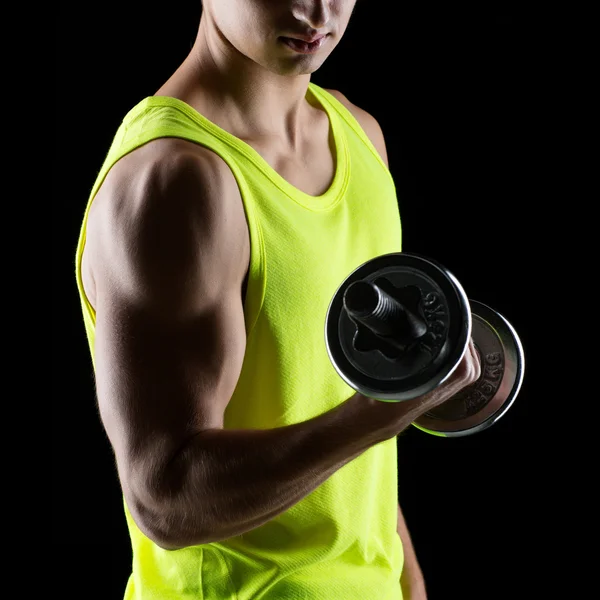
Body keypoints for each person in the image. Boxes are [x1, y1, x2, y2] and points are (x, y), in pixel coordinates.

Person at [74, 1, 481, 598]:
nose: (316, 9)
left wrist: (406, 581)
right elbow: (167, 500)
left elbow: (347, 451)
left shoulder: (359, 135)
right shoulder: (176, 181)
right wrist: (375, 417)